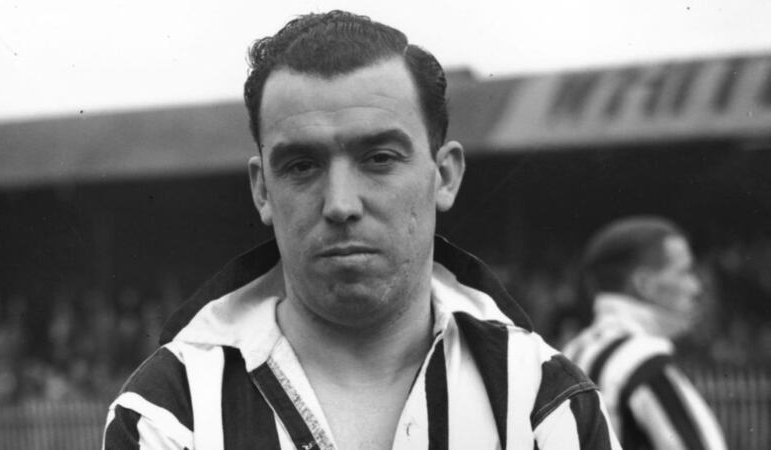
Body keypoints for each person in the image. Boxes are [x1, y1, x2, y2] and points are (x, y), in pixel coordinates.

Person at [103, 10, 620, 449]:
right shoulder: (170, 412)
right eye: (302, 166)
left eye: (378, 158)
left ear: (444, 176)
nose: (341, 204)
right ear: (262, 190)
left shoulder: (543, 404)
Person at [563, 216, 727, 450]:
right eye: (684, 272)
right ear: (644, 284)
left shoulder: (570, 354)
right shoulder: (641, 362)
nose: (695, 287)